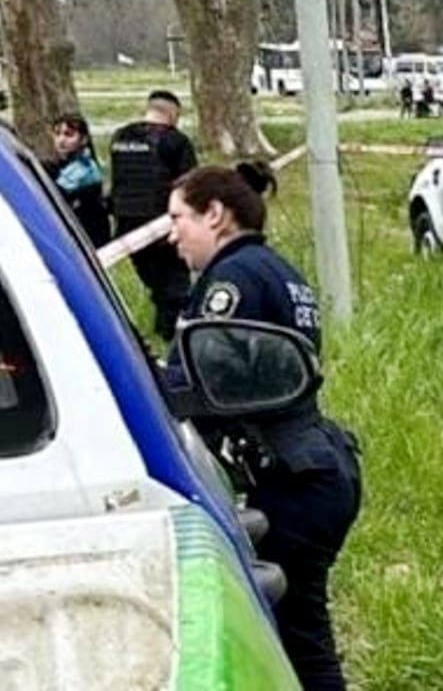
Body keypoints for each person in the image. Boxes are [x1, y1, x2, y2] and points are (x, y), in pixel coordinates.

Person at [166, 162, 362, 691]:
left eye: (179, 217)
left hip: (292, 474)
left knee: (297, 637)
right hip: (316, 463)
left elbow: (201, 383)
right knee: (299, 627)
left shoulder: (232, 279)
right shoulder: (275, 268)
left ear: (215, 214)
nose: (171, 233)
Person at [110, 90, 197, 341]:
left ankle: (163, 331)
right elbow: (189, 185)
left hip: (126, 228)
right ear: (173, 115)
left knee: (157, 284)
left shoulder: (121, 137)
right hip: (161, 228)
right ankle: (173, 337)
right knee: (175, 286)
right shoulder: (176, 142)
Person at [47, 113, 110, 248]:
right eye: (57, 134)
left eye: (68, 134)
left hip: (89, 238)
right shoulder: (63, 165)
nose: (61, 140)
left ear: (83, 139)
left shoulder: (85, 168)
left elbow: (53, 193)